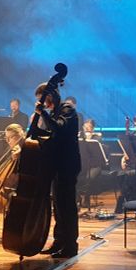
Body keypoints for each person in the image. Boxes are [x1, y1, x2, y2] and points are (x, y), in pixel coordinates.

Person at [31, 82, 80, 258]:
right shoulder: (54, 112)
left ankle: (70, 245)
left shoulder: (68, 110)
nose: (44, 104)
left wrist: (42, 113)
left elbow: (59, 128)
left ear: (52, 95)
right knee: (58, 206)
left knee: (67, 207)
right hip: (57, 164)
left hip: (67, 165)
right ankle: (59, 241)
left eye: (45, 100)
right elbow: (50, 134)